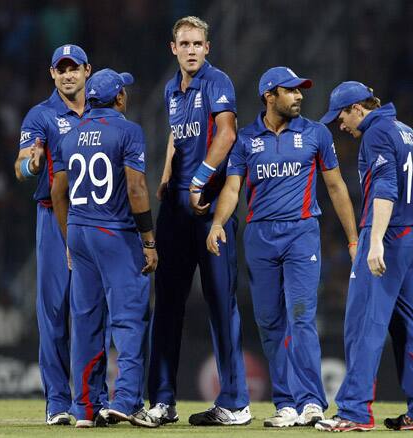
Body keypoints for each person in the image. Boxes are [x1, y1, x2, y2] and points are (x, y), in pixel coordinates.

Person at [206, 67, 358, 428]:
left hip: (301, 234)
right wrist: (216, 223)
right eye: (291, 90)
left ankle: (311, 402)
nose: (299, 96)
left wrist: (354, 238)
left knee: (301, 317)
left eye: (300, 90)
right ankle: (286, 403)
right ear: (269, 96)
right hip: (260, 237)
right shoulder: (245, 139)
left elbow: (336, 188)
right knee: (270, 322)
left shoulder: (316, 134)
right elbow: (231, 188)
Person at [316, 82, 413, 432]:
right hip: (411, 234)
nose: (341, 124)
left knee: (363, 324)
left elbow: (386, 187)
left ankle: (354, 411)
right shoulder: (406, 130)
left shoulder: (377, 132)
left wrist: (375, 242)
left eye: (341, 115)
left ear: (358, 108)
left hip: (388, 233)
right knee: (410, 327)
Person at [147, 16, 250, 426]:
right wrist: (168, 174)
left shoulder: (217, 82)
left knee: (221, 305)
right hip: (176, 209)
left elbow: (227, 134)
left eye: (197, 43)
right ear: (173, 48)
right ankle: (162, 401)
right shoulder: (173, 88)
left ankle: (235, 403)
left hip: (209, 209)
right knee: (167, 304)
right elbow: (178, 132)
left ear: (208, 48)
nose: (191, 50)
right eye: (184, 43)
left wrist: (199, 178)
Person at [51, 68, 159, 429]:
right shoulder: (128, 130)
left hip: (80, 231)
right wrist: (148, 240)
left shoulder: (70, 135)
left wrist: (70, 239)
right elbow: (137, 189)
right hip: (113, 232)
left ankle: (84, 407)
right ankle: (126, 400)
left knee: (85, 322)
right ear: (119, 98)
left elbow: (57, 193)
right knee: (128, 319)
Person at [14, 44, 109, 426]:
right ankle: (57, 402)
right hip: (53, 218)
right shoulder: (41, 114)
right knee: (54, 310)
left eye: (74, 68)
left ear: (88, 70)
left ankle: (94, 399)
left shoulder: (103, 109)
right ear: (52, 74)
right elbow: (20, 167)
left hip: (95, 218)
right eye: (61, 69)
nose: (68, 75)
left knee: (92, 312)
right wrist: (32, 164)